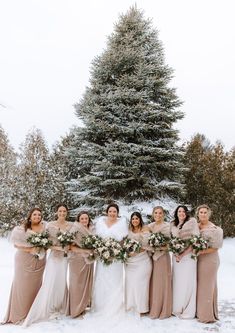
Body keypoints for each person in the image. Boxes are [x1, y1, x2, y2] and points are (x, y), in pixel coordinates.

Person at [23, 204, 73, 326]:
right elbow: (47, 244)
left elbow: (72, 242)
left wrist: (66, 247)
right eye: (60, 211)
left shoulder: (71, 225)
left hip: (65, 258)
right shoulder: (50, 225)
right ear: (56, 212)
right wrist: (58, 247)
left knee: (61, 281)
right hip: (54, 258)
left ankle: (60, 306)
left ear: (67, 212)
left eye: (64, 211)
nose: (62, 213)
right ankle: (47, 306)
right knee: (50, 281)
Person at [2, 208, 46, 324]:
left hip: (39, 261)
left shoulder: (45, 228)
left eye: (39, 214)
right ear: (30, 216)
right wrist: (30, 249)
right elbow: (16, 244)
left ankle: (31, 313)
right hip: (24, 260)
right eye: (35, 214)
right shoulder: (21, 229)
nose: (37, 216)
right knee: (21, 287)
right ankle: (18, 315)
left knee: (35, 287)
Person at [92, 203, 128, 316]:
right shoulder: (100, 223)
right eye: (110, 211)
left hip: (116, 258)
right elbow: (96, 239)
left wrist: (116, 250)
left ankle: (115, 305)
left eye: (114, 212)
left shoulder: (122, 224)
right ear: (107, 212)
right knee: (102, 278)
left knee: (114, 279)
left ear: (118, 213)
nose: (112, 213)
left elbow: (124, 241)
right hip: (102, 257)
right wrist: (101, 250)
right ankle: (100, 305)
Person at [170, 205, 199, 319]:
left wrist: (183, 254)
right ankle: (177, 308)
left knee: (188, 282)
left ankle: (187, 309)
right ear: (176, 213)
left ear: (186, 213)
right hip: (176, 257)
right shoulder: (173, 224)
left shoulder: (192, 222)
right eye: (179, 211)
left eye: (183, 211)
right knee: (178, 282)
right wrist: (176, 253)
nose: (181, 213)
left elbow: (195, 240)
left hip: (188, 256)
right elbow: (171, 240)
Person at [196, 204, 223, 323]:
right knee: (199, 285)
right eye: (201, 212)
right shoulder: (195, 226)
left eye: (205, 212)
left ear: (209, 214)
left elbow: (216, 247)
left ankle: (206, 315)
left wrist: (200, 251)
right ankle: (198, 311)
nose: (203, 214)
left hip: (209, 260)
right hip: (197, 259)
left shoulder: (215, 229)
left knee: (206, 286)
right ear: (198, 214)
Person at [67, 211, 94, 318]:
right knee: (76, 284)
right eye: (82, 219)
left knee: (86, 284)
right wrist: (84, 251)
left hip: (88, 260)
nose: (84, 220)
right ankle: (75, 309)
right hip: (77, 259)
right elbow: (70, 246)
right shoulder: (75, 229)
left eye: (86, 218)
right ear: (78, 220)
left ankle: (83, 306)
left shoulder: (91, 229)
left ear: (88, 220)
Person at [125, 212, 152, 315]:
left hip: (142, 261)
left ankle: (142, 308)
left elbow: (146, 245)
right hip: (130, 262)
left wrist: (136, 250)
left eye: (137, 218)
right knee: (130, 283)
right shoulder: (128, 231)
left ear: (140, 219)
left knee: (140, 284)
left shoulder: (145, 230)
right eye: (133, 219)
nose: (135, 220)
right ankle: (131, 305)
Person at [148, 206, 172, 319]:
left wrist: (159, 246)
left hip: (162, 257)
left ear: (163, 214)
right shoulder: (150, 226)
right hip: (151, 257)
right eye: (156, 213)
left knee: (162, 282)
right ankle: (153, 306)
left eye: (160, 213)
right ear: (153, 214)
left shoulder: (167, 226)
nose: (158, 215)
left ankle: (163, 308)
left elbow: (169, 244)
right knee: (154, 282)